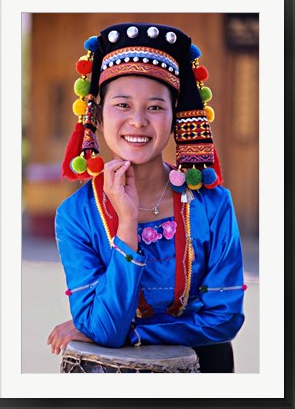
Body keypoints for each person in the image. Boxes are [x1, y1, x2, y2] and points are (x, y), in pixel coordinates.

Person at [47, 22, 246, 373]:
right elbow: (105, 329)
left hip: (206, 372)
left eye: (155, 107)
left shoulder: (213, 206)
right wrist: (126, 222)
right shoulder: (76, 215)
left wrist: (133, 332)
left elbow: (224, 318)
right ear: (96, 114)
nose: (137, 121)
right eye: (122, 104)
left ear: (175, 119)